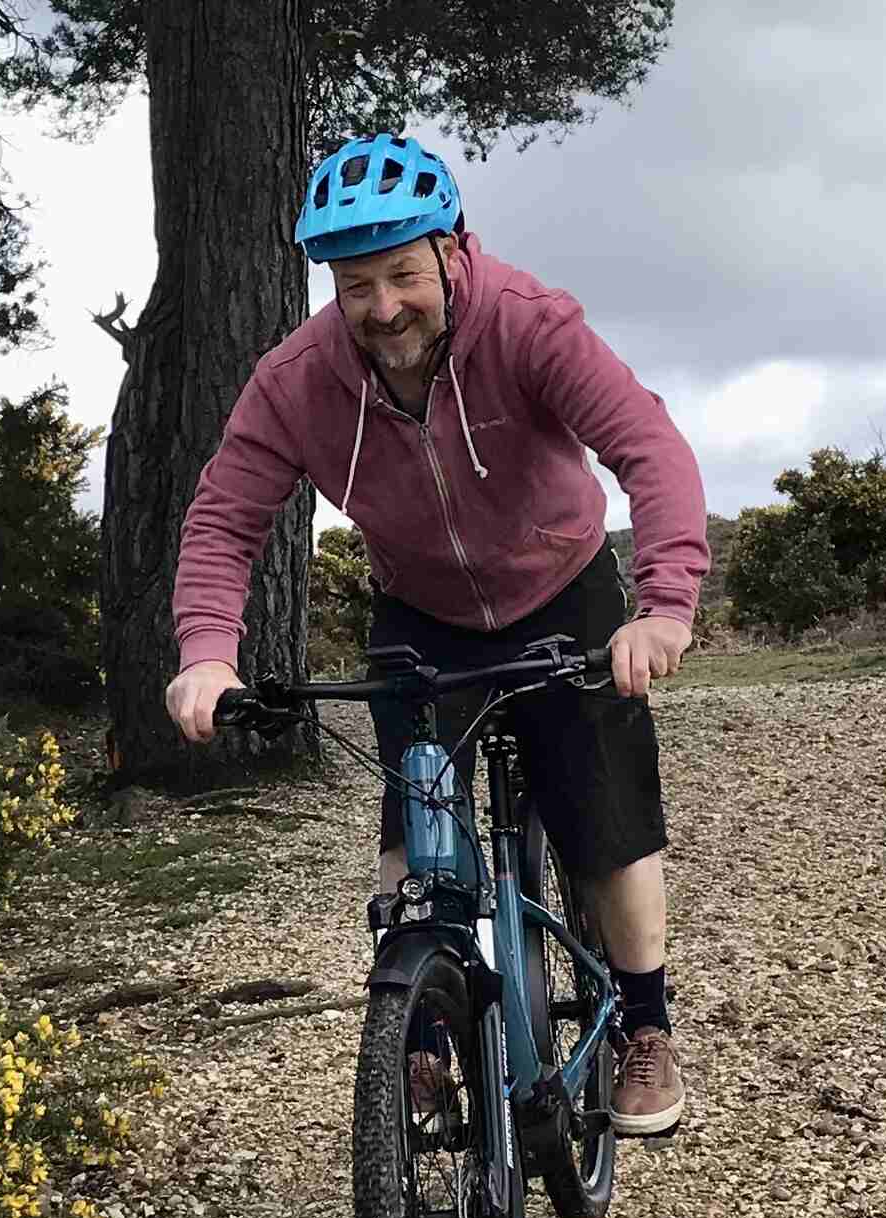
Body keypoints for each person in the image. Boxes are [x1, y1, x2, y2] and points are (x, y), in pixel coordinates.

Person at [165, 131, 708, 1136]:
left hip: (563, 591)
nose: (382, 309)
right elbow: (224, 515)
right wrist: (206, 650)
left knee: (604, 818)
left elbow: (648, 449)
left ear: (453, 248)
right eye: (355, 285)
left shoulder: (529, 326)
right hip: (420, 613)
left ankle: (643, 1023)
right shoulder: (295, 380)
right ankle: (418, 1041)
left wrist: (661, 605)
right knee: (413, 846)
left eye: (402, 275)